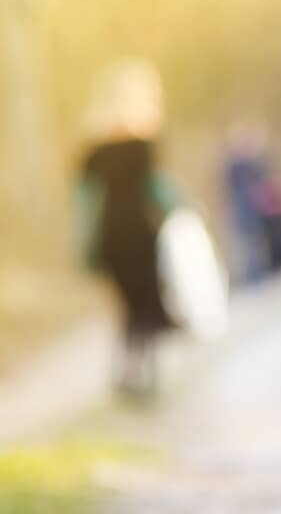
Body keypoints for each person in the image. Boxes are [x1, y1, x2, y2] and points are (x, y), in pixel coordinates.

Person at [76, 59, 177, 397]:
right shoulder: (141, 145)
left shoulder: (93, 149)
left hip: (109, 235)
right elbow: (156, 189)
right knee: (146, 301)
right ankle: (140, 372)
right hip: (138, 232)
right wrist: (182, 209)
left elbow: (85, 200)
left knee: (127, 304)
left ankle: (128, 372)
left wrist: (86, 244)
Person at [222, 119, 281, 284]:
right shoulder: (237, 166)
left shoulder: (256, 161)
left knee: (264, 240)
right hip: (247, 210)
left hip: (260, 209)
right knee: (251, 244)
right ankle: (255, 275)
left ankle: (269, 269)